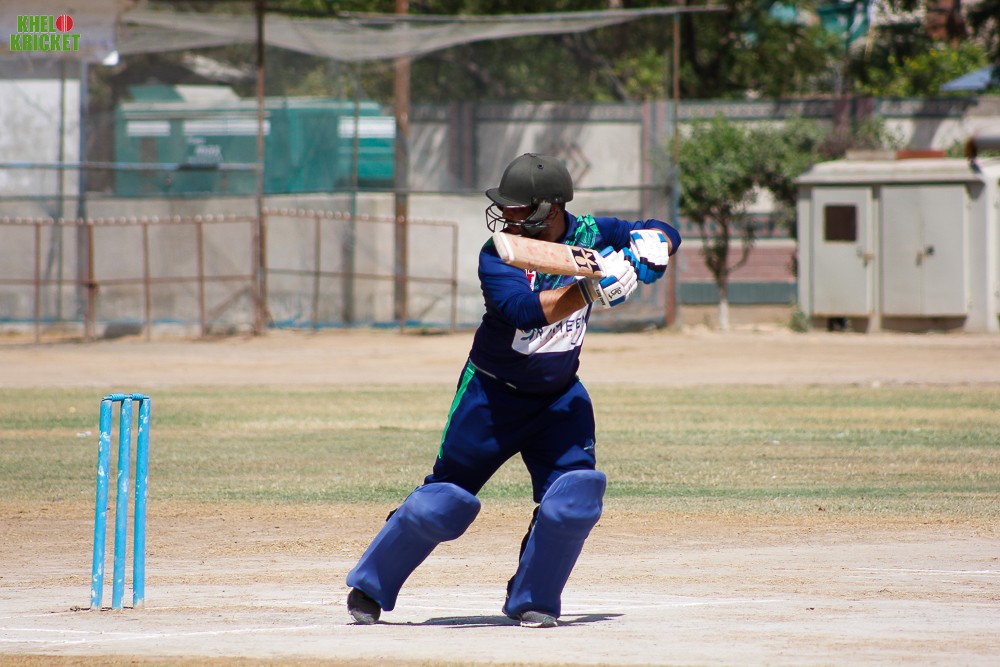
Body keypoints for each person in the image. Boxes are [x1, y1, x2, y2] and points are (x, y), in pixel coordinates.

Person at [345, 153, 681, 628]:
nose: (506, 217)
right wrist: (588, 291)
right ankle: (371, 585)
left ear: (550, 208)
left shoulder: (591, 233)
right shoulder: (498, 253)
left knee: (575, 498)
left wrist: (652, 248)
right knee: (444, 502)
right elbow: (523, 311)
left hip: (559, 398)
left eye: (517, 208)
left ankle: (532, 598)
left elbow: (659, 229)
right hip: (491, 398)